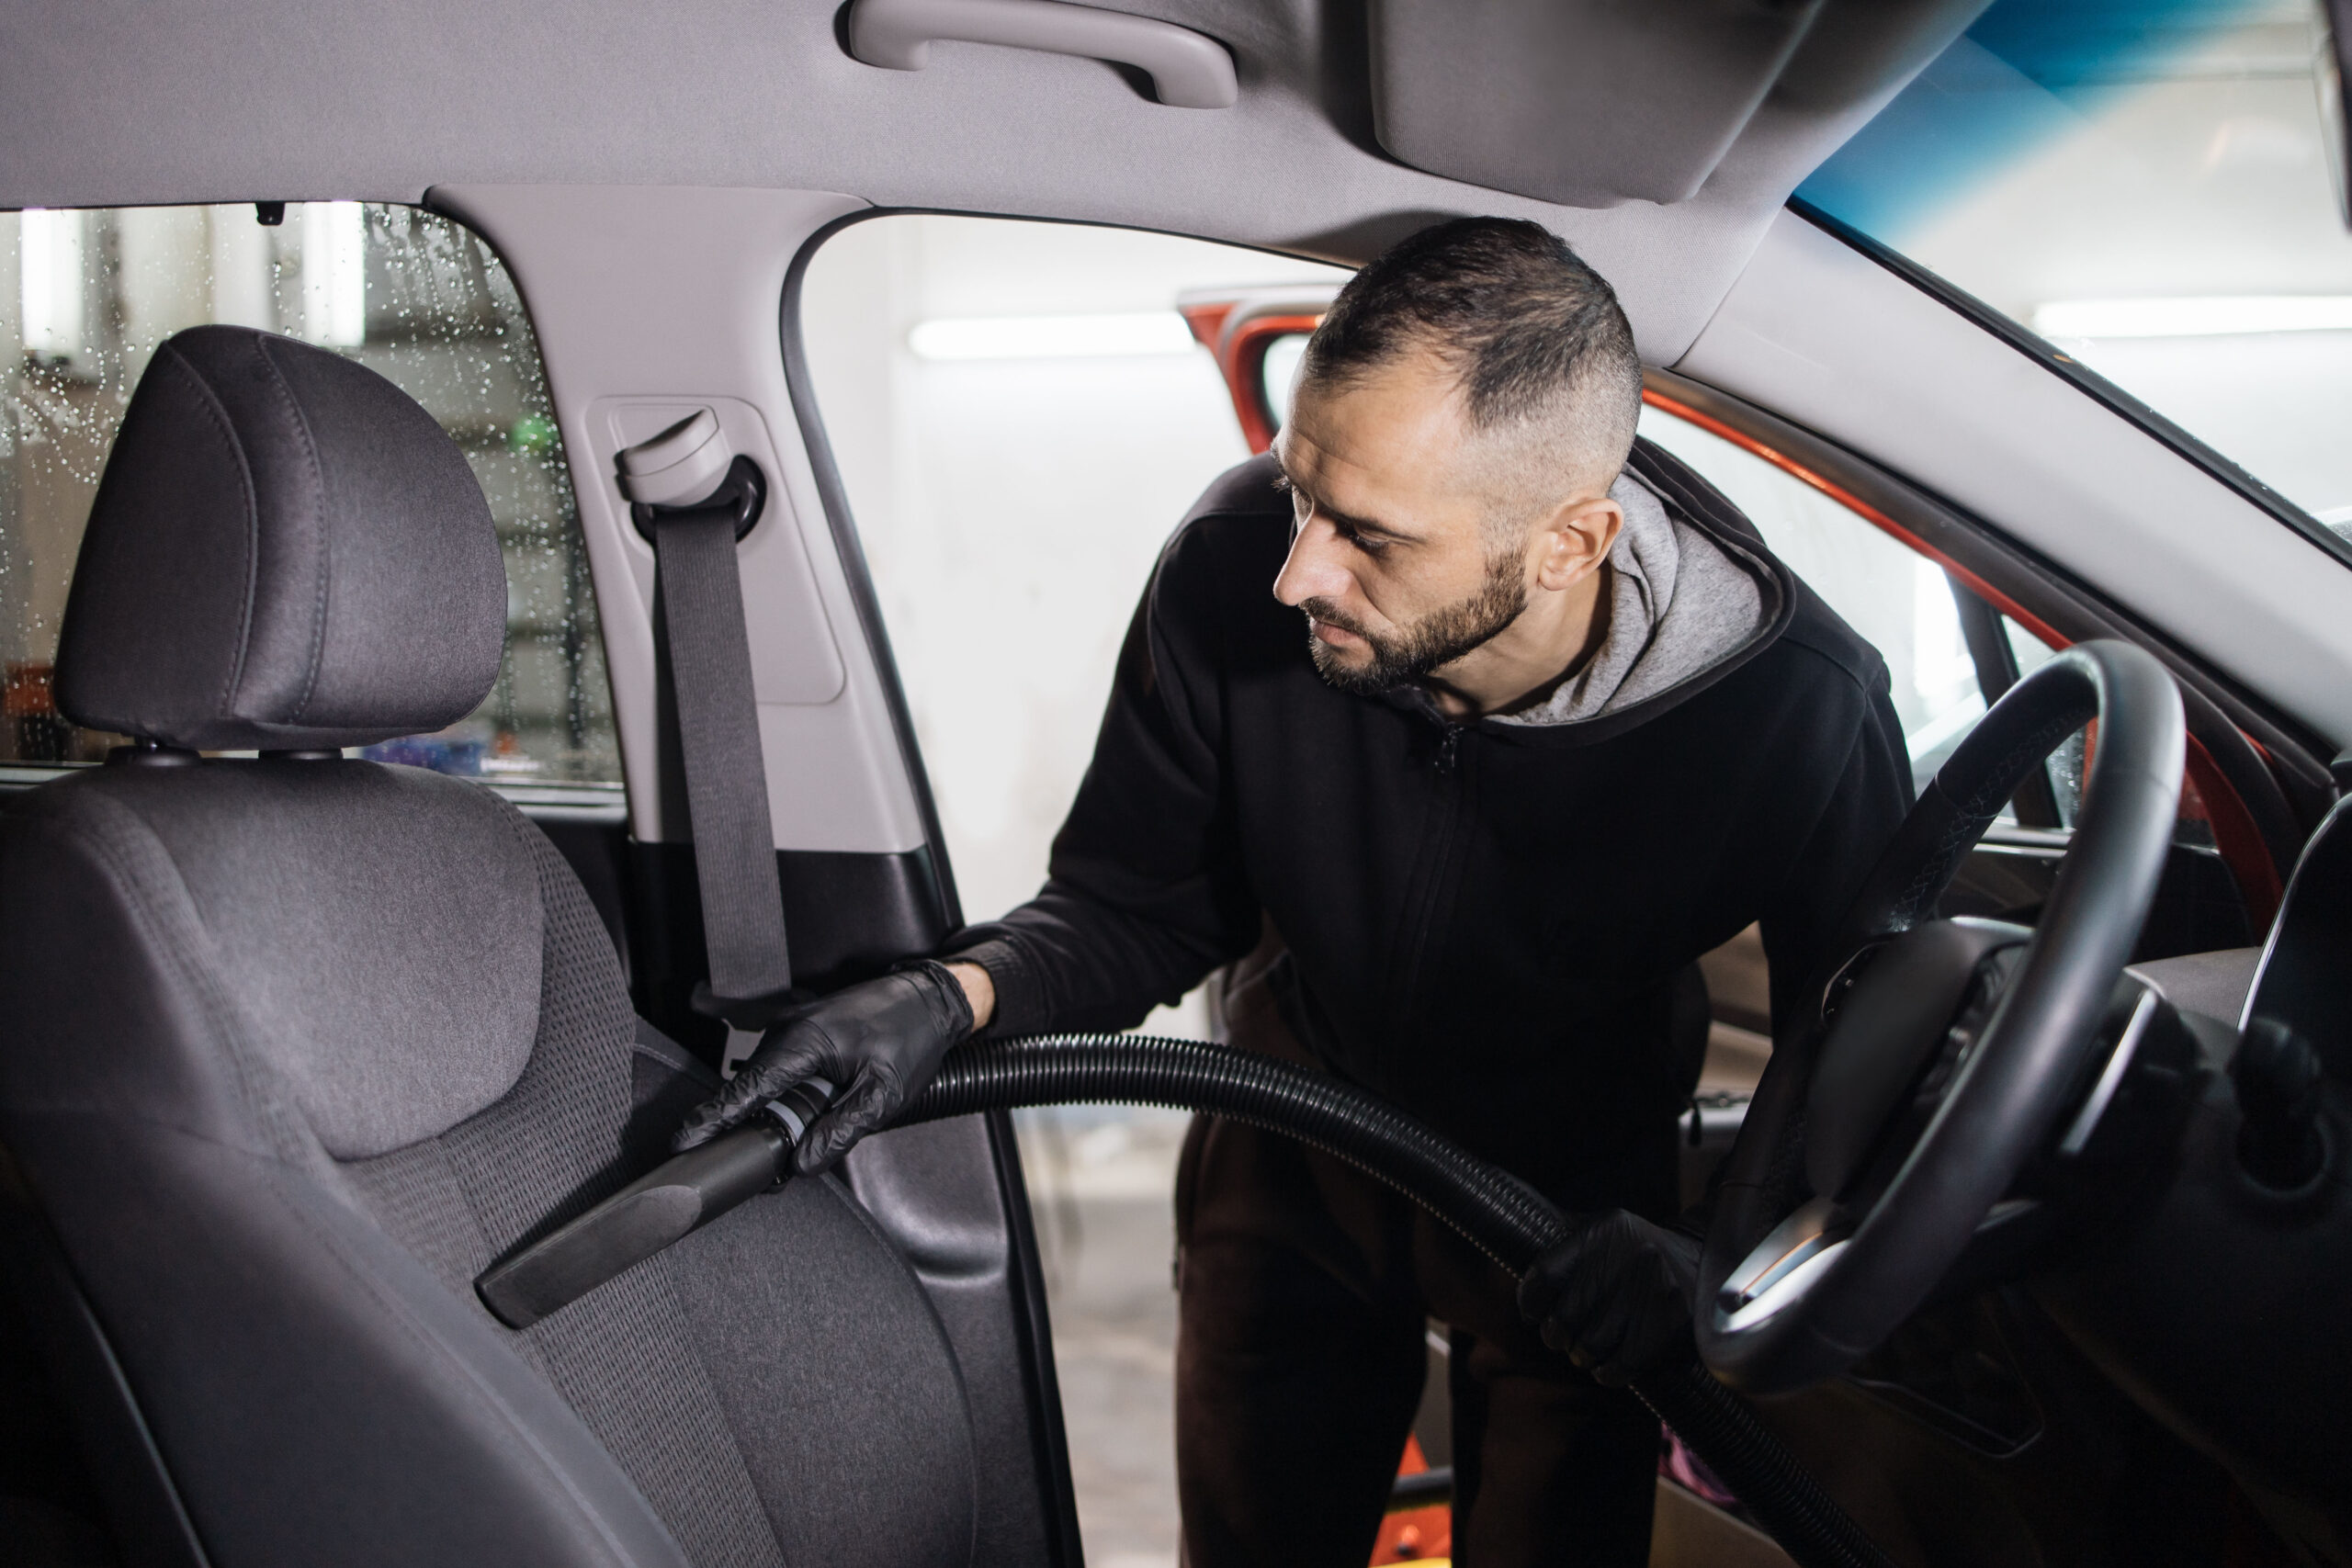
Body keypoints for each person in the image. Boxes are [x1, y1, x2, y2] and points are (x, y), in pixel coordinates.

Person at [677, 217, 1911, 1565]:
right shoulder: (1225, 566)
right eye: (1299, 493)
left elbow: (1853, 1077)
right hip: (1288, 1143)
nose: (1296, 571)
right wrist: (940, 1000)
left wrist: (1706, 1256)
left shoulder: (1794, 712)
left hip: (1576, 1212)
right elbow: (1137, 903)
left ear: (1570, 543)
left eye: (1370, 535)